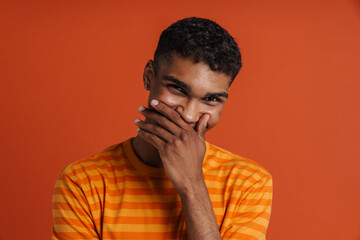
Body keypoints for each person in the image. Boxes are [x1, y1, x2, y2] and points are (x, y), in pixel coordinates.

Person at [51, 17, 273, 240]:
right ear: (149, 76)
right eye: (177, 89)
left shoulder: (248, 183)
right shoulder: (81, 182)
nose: (188, 115)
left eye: (211, 99)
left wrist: (192, 185)